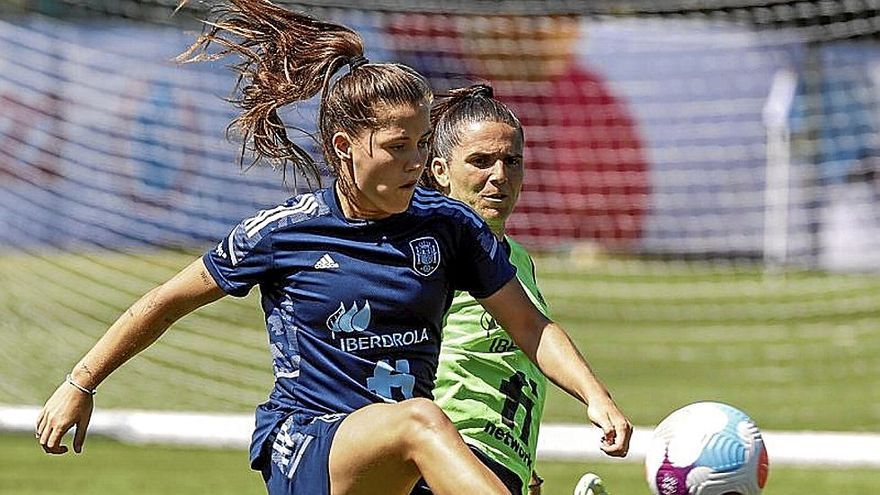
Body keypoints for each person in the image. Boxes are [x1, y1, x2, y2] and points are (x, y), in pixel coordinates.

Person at [35, 2, 631, 494]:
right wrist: (79, 384)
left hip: (396, 465)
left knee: (431, 439)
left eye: (423, 143)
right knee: (423, 421)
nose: (416, 161)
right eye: (399, 146)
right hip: (309, 446)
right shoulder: (283, 232)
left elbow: (530, 326)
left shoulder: (449, 226)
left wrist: (596, 398)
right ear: (346, 146)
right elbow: (162, 302)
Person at [414, 85, 628, 495]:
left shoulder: (516, 259)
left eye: (512, 161)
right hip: (449, 453)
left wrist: (523, 461)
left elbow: (529, 336)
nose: (499, 176)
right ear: (440, 170)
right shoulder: (428, 248)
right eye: (480, 161)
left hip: (501, 461)